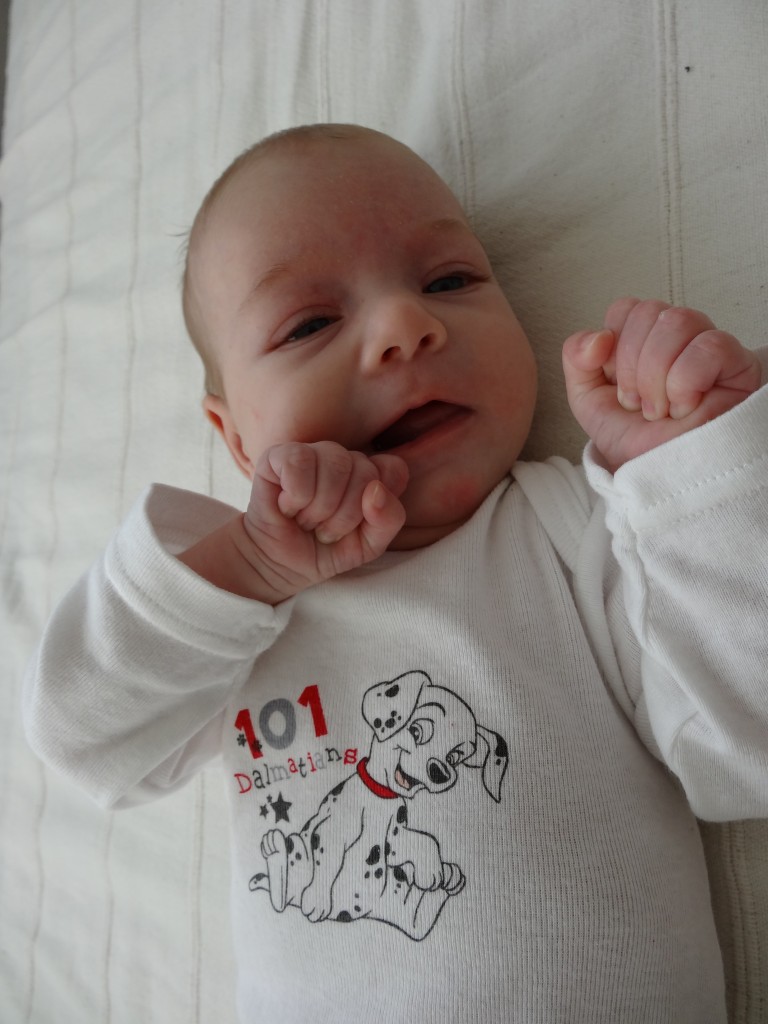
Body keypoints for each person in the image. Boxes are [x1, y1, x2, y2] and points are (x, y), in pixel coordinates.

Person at [23, 124, 768, 1023]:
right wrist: (243, 567)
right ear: (236, 438)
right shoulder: (232, 615)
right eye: (309, 323)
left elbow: (747, 747)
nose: (408, 327)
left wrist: (698, 478)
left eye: (449, 281)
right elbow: (85, 740)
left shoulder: (577, 531)